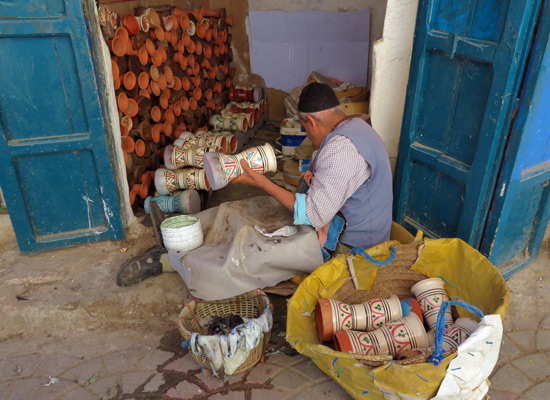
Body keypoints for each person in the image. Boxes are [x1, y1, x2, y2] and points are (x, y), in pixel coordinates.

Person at [232, 82, 393, 257]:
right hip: (367, 231)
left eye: (305, 128)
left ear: (310, 121)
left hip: (358, 250)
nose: (307, 134)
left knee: (260, 251)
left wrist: (262, 182)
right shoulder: (357, 125)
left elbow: (313, 215)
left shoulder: (341, 149)